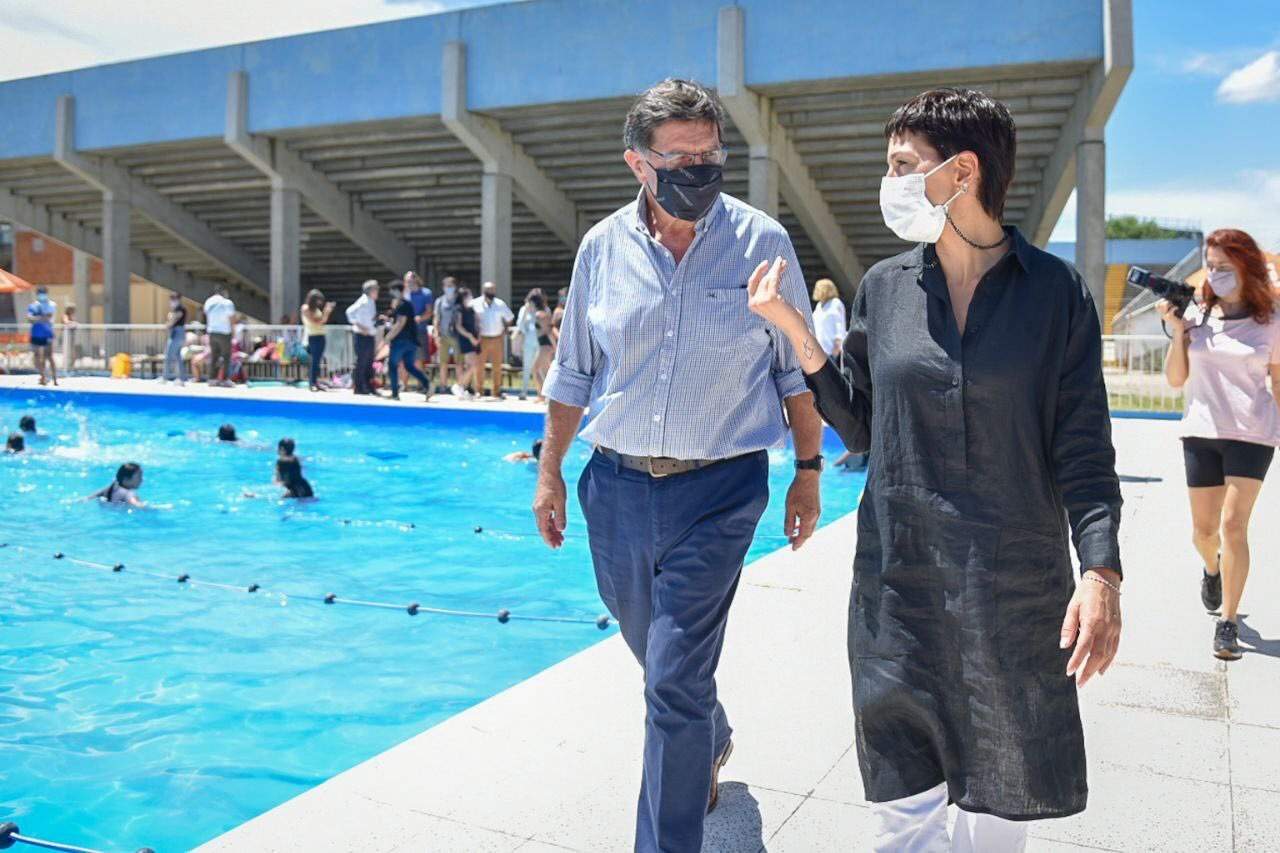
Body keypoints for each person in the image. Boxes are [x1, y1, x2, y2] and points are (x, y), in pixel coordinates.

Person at [747, 88, 1122, 852]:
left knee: (998, 809)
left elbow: (1083, 448)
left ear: (962, 172)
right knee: (903, 810)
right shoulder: (884, 289)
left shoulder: (1055, 295)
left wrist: (1101, 572)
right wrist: (794, 332)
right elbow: (861, 426)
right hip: (901, 588)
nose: (888, 182)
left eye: (901, 165)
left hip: (1011, 594)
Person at [533, 79, 823, 853]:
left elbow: (795, 370)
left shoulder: (763, 242)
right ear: (638, 162)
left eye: (711, 155)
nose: (700, 170)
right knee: (658, 656)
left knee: (670, 681)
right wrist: (550, 471)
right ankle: (709, 731)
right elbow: (573, 372)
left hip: (720, 490)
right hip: (615, 487)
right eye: (680, 158)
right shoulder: (602, 248)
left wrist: (808, 468)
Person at [1159, 228, 1280, 660]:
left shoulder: (1272, 321)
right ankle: (1212, 569)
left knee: (1233, 526)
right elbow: (1176, 379)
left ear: (1246, 266)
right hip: (1201, 431)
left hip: (1253, 433)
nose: (1215, 274)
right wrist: (1177, 330)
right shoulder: (1197, 315)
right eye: (1210, 266)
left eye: (1224, 267)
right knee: (1204, 533)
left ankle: (1227, 622)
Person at [385, 280, 432, 401]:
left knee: (392, 365)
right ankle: (427, 384)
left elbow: (400, 323)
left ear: (397, 291)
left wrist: (388, 337)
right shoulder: (406, 304)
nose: (390, 293)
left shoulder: (402, 305)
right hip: (411, 341)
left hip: (401, 340)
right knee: (409, 366)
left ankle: (395, 393)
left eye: (392, 291)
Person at [473, 281, 514, 398]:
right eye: (488, 290)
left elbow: (510, 317)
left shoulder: (500, 304)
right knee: (479, 365)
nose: (490, 292)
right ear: (483, 290)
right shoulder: (475, 303)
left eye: (492, 289)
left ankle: (496, 391)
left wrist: (505, 328)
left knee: (497, 366)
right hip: (481, 338)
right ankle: (479, 390)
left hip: (497, 338)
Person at [515, 289, 553, 401]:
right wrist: (525, 313)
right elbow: (520, 326)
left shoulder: (545, 310)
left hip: (541, 343)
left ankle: (546, 394)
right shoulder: (524, 310)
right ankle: (525, 391)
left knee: (543, 369)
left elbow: (548, 328)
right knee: (528, 367)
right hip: (529, 342)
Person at [345, 280, 380, 396]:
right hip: (361, 335)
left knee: (369, 362)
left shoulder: (371, 302)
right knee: (362, 361)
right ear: (370, 290)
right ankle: (359, 387)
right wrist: (359, 326)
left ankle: (368, 386)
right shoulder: (363, 301)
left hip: (370, 335)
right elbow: (349, 312)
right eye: (375, 289)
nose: (377, 291)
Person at [300, 289, 336, 392]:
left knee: (318, 361)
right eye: (319, 300)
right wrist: (326, 311)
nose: (320, 302)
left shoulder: (316, 309)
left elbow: (323, 321)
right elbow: (316, 321)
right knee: (315, 361)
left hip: (321, 336)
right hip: (313, 337)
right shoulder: (305, 308)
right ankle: (312, 383)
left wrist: (327, 311)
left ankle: (316, 382)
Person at [450, 286, 481, 399]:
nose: (471, 297)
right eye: (468, 295)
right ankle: (458, 386)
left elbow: (477, 323)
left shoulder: (471, 309)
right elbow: (458, 326)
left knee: (471, 366)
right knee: (472, 366)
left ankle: (465, 388)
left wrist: (478, 336)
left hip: (473, 339)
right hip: (465, 339)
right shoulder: (458, 309)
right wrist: (470, 336)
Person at [203, 287, 236, 387]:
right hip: (224, 332)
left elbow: (206, 315)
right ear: (224, 293)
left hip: (212, 332)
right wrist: (233, 332)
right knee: (226, 356)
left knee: (214, 356)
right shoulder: (227, 302)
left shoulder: (209, 301)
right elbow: (231, 318)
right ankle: (225, 379)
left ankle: (212, 379)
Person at [433, 276, 461, 393]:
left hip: (458, 337)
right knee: (443, 362)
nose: (449, 288)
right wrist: (436, 335)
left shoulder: (460, 300)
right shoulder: (439, 301)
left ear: (455, 287)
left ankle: (460, 386)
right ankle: (443, 386)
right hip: (443, 336)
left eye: (451, 286)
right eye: (446, 286)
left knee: (459, 363)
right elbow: (436, 318)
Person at [26, 285, 58, 386]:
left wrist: (37, 318)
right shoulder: (33, 305)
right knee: (36, 356)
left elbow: (48, 317)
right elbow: (29, 318)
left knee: (48, 356)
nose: (42, 296)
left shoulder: (51, 304)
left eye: (43, 293)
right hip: (36, 333)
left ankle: (54, 378)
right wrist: (40, 318)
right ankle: (43, 376)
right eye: (40, 294)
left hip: (47, 333)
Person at [404, 272, 435, 377]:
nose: (408, 283)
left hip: (419, 330)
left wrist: (419, 318)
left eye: (409, 281)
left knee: (419, 359)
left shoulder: (426, 293)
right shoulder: (405, 294)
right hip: (405, 331)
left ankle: (421, 383)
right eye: (406, 281)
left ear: (416, 280)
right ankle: (403, 384)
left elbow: (429, 312)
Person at [811, 277, 847, 357]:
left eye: (818, 288)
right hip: (819, 350)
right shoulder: (819, 305)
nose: (816, 290)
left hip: (832, 350)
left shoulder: (836, 303)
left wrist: (837, 345)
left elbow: (839, 325)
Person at [161, 293, 187, 385]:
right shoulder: (175, 309)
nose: (171, 301)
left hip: (177, 334)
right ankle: (181, 378)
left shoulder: (181, 309)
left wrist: (168, 323)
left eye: (173, 299)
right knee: (177, 356)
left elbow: (173, 320)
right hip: (177, 333)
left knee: (168, 355)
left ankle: (165, 377)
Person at [61, 304, 79, 376]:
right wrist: (73, 323)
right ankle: (66, 368)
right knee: (67, 353)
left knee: (73, 353)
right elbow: (66, 322)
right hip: (67, 338)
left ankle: (72, 367)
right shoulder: (65, 315)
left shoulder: (72, 316)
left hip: (72, 337)